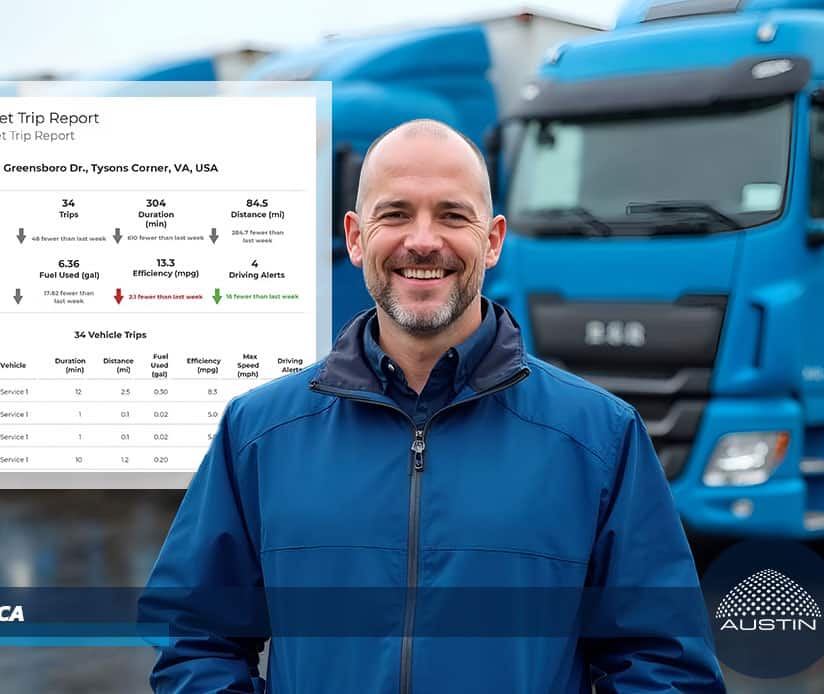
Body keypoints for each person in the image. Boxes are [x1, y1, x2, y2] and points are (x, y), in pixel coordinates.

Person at [140, 119, 726, 693]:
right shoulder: (259, 434)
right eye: (395, 213)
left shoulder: (599, 438)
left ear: (492, 240)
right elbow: (195, 638)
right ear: (354, 236)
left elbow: (664, 665)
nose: (423, 240)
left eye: (452, 214)